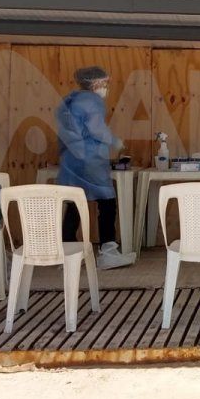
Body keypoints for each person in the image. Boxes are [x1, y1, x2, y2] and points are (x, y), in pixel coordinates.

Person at [56, 66, 133, 270]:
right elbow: (96, 129)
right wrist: (115, 141)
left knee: (75, 205)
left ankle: (68, 253)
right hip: (90, 159)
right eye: (104, 83)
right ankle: (108, 252)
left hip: (71, 160)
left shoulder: (69, 101)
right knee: (107, 203)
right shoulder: (91, 101)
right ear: (96, 83)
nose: (106, 87)